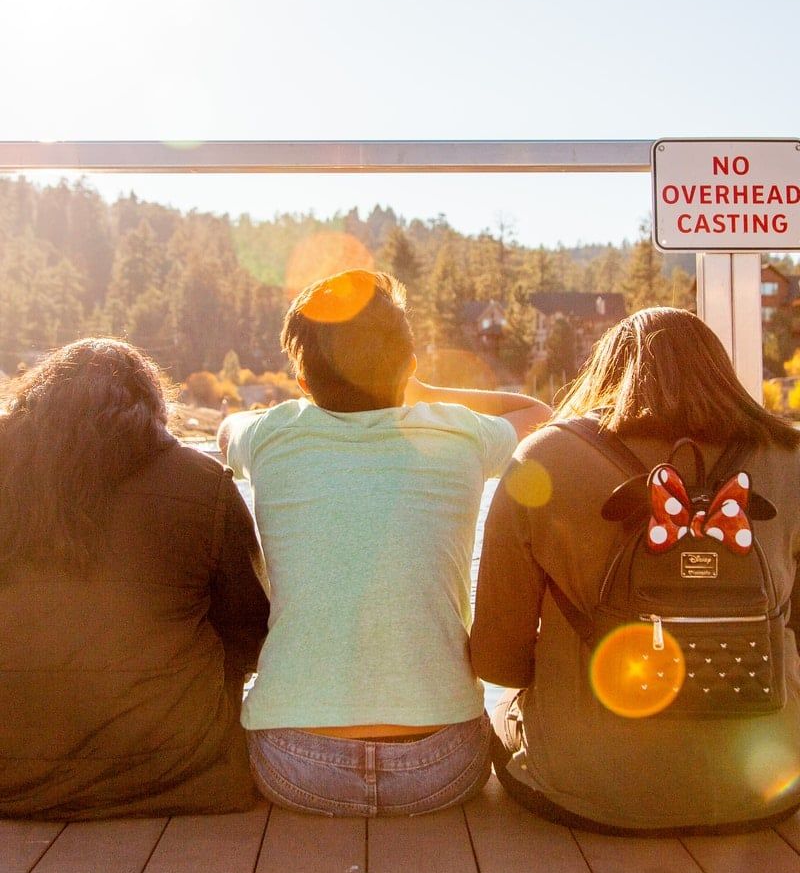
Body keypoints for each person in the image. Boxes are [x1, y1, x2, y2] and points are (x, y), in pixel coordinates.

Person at [219, 269, 550, 817]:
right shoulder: (458, 433)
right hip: (441, 765)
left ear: (303, 382)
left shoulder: (272, 434)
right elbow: (538, 415)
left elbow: (228, 429)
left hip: (292, 761)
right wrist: (417, 390)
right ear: (409, 364)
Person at [471, 306, 800, 834]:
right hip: (770, 787)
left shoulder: (543, 459)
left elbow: (498, 662)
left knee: (501, 710)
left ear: (607, 369)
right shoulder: (790, 457)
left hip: (589, 789)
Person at [0, 338, 270, 819]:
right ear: (153, 407)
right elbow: (251, 628)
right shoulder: (203, 483)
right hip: (177, 775)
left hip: (14, 782)